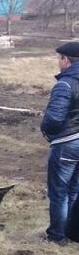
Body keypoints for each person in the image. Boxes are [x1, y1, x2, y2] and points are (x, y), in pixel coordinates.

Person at [41, 40, 79, 244]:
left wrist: (48, 133)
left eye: (59, 58)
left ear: (66, 60)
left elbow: (54, 119)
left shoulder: (65, 84)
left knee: (59, 192)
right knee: (74, 189)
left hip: (67, 143)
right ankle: (71, 233)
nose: (58, 62)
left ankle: (57, 236)